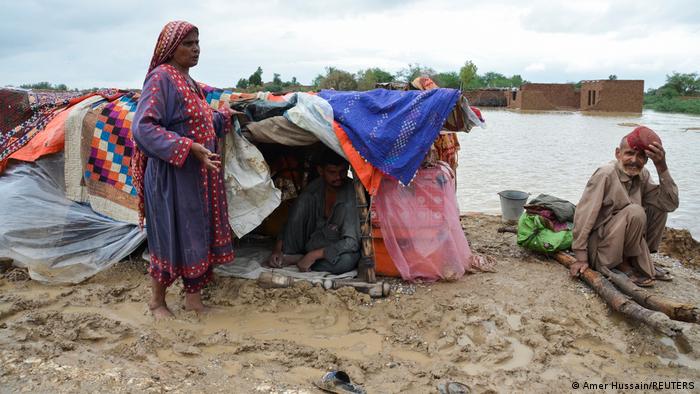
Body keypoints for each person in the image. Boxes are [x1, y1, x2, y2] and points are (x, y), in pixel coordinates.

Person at [132, 21, 235, 318]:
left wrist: (225, 117)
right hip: (171, 176)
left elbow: (199, 120)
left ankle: (194, 301)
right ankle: (157, 303)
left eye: (197, 42)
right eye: (188, 43)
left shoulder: (189, 82)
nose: (195, 48)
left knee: (196, 233)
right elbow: (144, 127)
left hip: (196, 175)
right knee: (169, 234)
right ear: (170, 48)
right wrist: (188, 147)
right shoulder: (160, 78)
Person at [570, 127, 679, 287]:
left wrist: (661, 166)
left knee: (659, 207)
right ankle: (623, 264)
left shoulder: (642, 175)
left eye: (641, 156)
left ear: (647, 159)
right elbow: (584, 215)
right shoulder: (605, 174)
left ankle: (641, 259)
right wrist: (580, 257)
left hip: (624, 241)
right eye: (629, 153)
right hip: (601, 248)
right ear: (618, 153)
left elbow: (670, 204)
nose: (634, 160)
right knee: (635, 211)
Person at [266, 149, 360, 274]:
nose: (338, 177)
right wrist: (277, 250)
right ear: (321, 171)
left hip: (333, 248)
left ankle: (299, 259)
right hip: (309, 243)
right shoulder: (314, 188)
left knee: (346, 262)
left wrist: (315, 255)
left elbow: (352, 243)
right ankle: (292, 255)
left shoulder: (351, 196)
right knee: (302, 201)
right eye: (332, 172)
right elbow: (290, 223)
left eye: (342, 172)